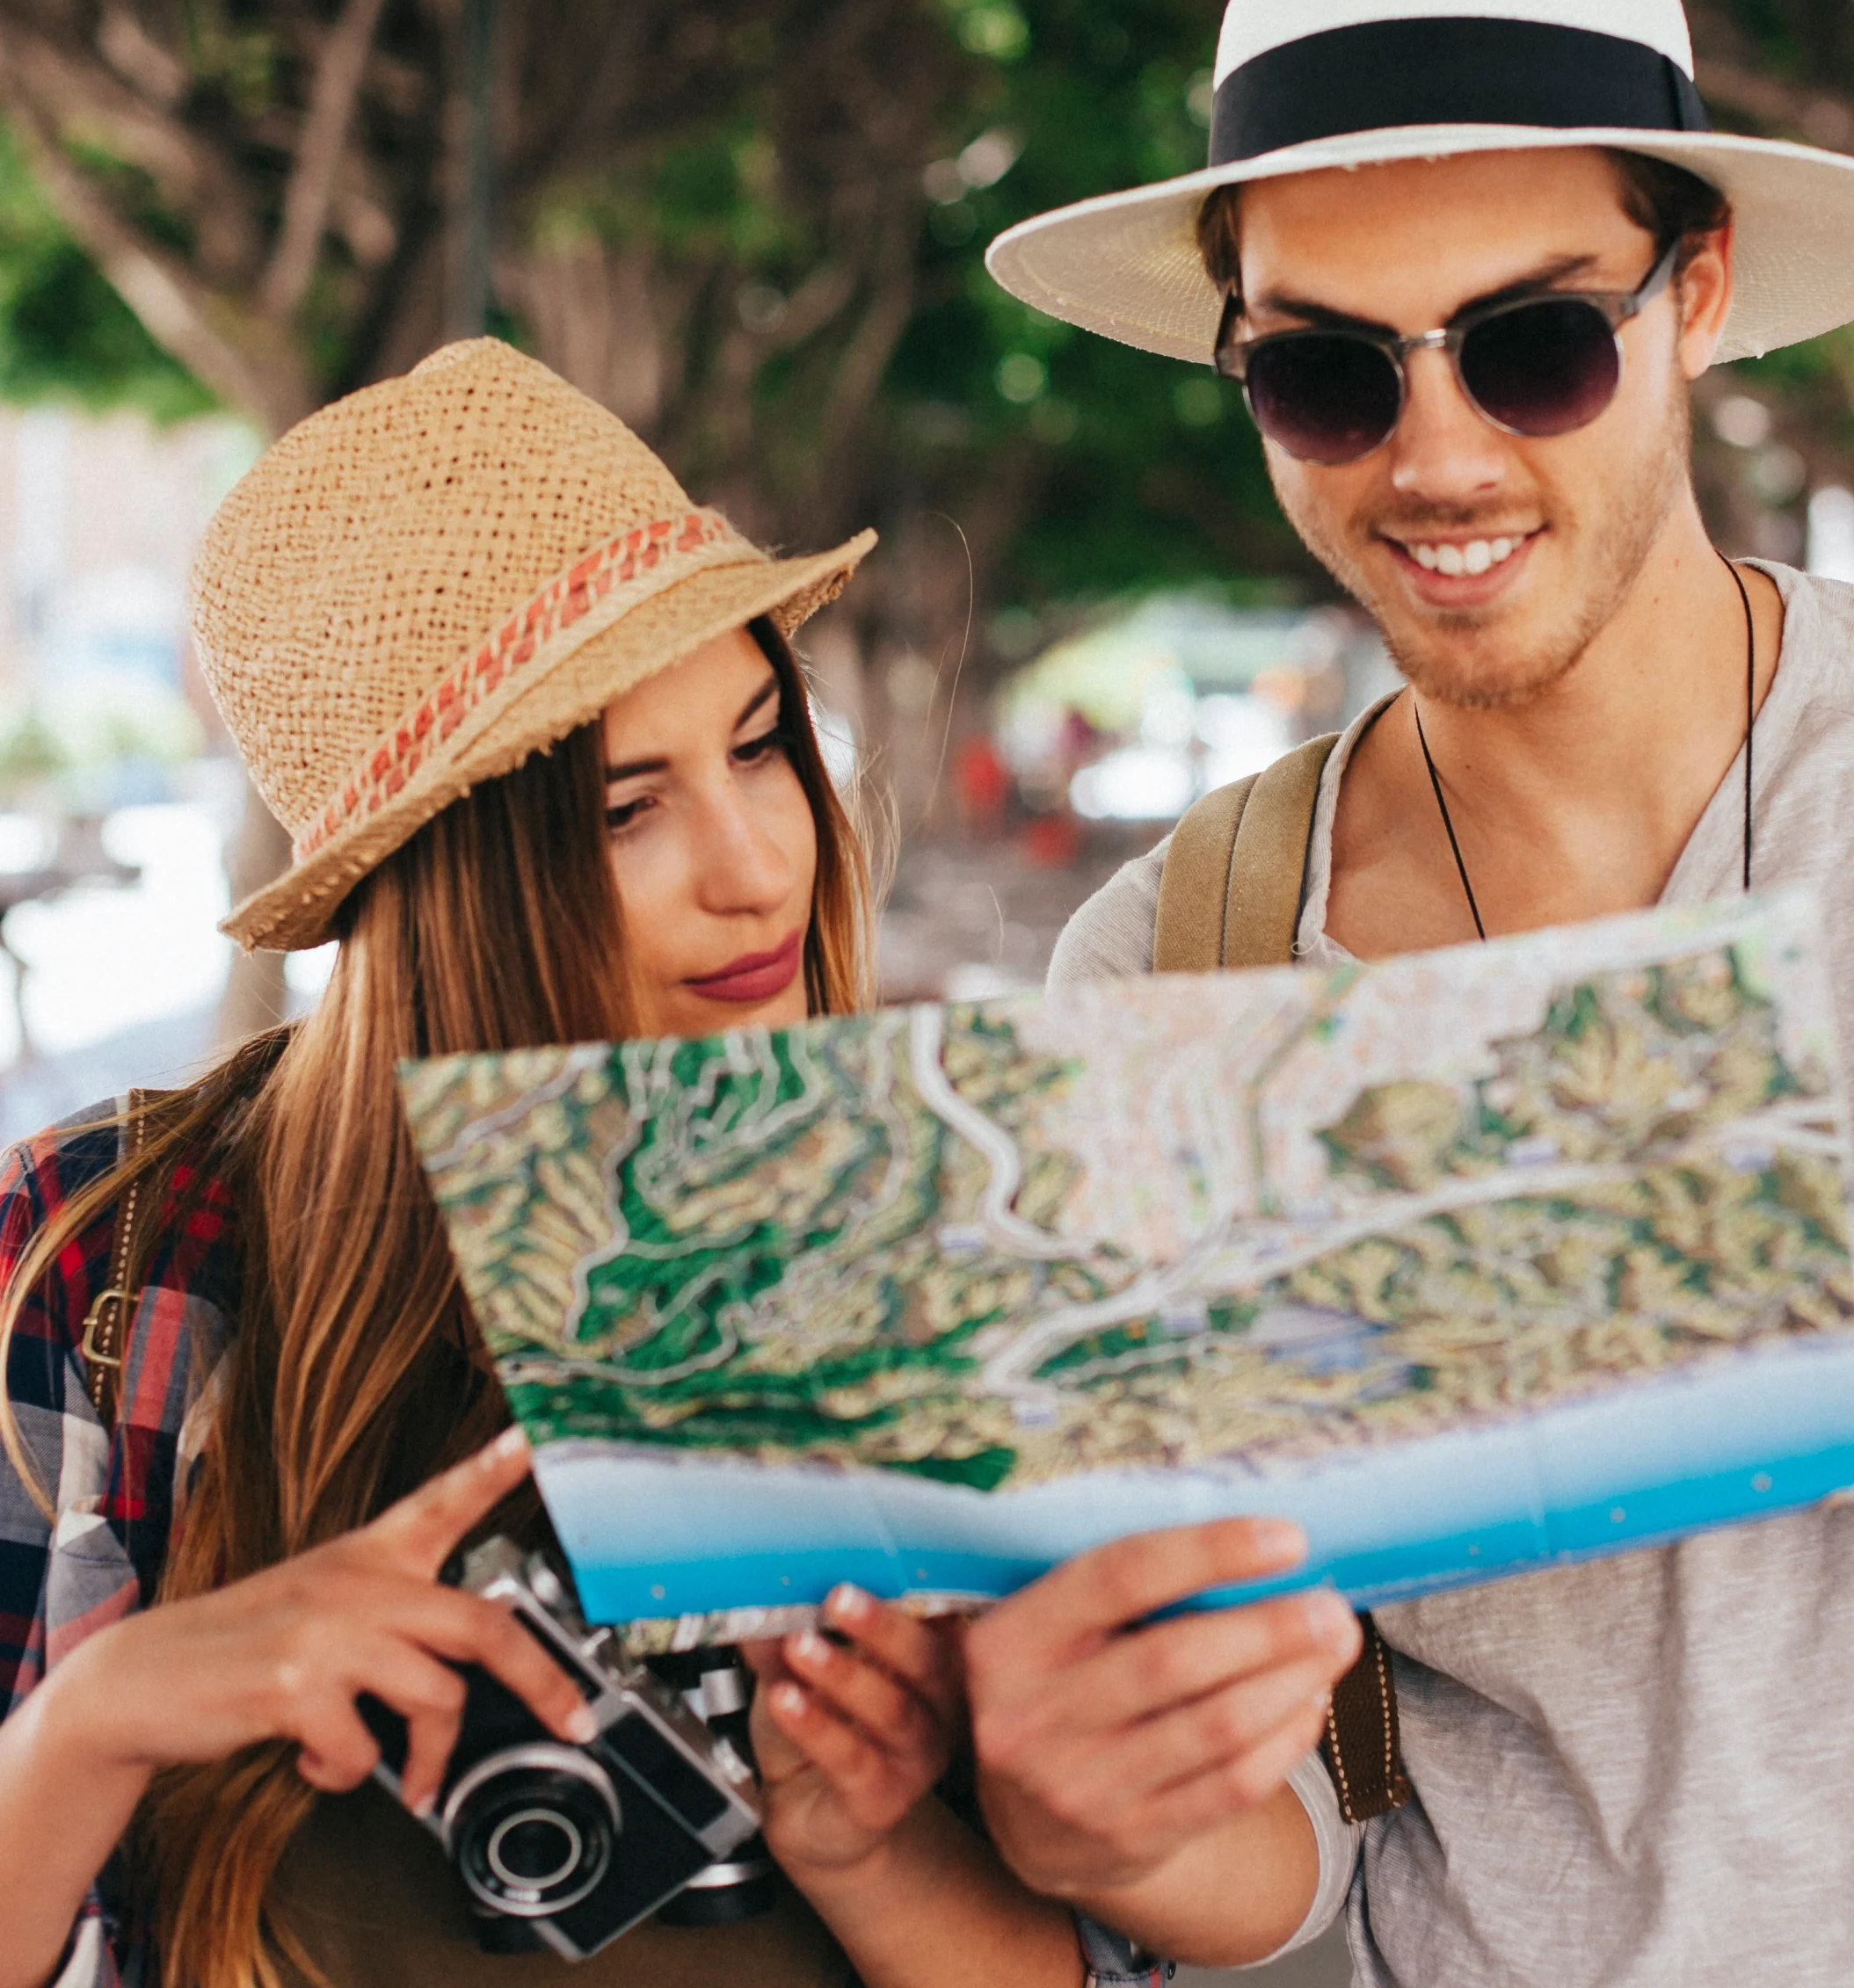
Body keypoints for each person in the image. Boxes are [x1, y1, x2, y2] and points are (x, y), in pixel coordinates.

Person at [962, 0, 1854, 1988]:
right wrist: (1093, 1811)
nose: (1436, 456)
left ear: (1699, 292)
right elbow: (1290, 1875)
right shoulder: (1172, 970)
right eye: (1324, 372)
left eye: (1532, 343)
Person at [0, 339, 1080, 1988]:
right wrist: (94, 1728)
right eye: (622, 810)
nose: (755, 865)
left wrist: (864, 1842)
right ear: (443, 890)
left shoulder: (949, 1212)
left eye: (760, 742)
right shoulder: (105, 1260)